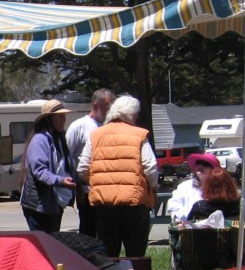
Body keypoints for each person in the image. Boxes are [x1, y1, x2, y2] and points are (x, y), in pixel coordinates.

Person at [78, 94, 158, 258]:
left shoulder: (96, 135)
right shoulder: (139, 135)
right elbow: (151, 167)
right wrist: (153, 187)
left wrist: (97, 182)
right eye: (135, 115)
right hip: (134, 202)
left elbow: (82, 168)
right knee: (135, 254)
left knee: (109, 254)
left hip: (104, 204)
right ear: (131, 114)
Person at [19, 99, 76, 234]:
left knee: (51, 244)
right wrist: (61, 181)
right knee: (44, 246)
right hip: (39, 206)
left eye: (65, 116)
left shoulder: (58, 139)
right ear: (49, 119)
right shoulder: (40, 139)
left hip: (53, 204)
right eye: (60, 116)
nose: (64, 120)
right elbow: (40, 171)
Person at [65, 88, 114, 236]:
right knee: (89, 229)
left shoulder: (109, 127)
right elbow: (68, 157)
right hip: (86, 190)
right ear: (95, 106)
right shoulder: (79, 126)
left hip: (107, 189)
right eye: (107, 108)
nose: (109, 113)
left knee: (106, 231)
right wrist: (76, 185)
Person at [167, 152, 221, 223]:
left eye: (205, 164)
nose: (200, 166)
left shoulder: (221, 188)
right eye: (198, 163)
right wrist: (192, 216)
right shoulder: (185, 186)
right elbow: (173, 207)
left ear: (214, 170)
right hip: (188, 229)